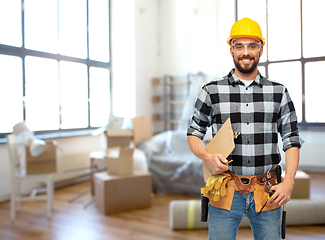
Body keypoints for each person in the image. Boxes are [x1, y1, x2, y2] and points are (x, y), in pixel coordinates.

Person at [187, 17, 303, 240]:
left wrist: (288, 183)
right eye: (239, 46)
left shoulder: (279, 92)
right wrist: (206, 156)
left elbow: (291, 139)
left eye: (252, 46)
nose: (246, 52)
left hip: (268, 192)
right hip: (224, 190)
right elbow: (193, 134)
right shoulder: (211, 91)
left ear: (261, 49)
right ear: (231, 49)